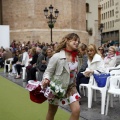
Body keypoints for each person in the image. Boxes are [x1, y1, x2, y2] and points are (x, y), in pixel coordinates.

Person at [42, 33, 80, 120]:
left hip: (71, 88)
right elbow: (48, 71)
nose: (77, 42)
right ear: (67, 40)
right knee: (51, 112)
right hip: (57, 88)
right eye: (74, 40)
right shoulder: (57, 56)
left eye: (78, 41)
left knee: (76, 110)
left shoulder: (77, 57)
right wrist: (46, 79)